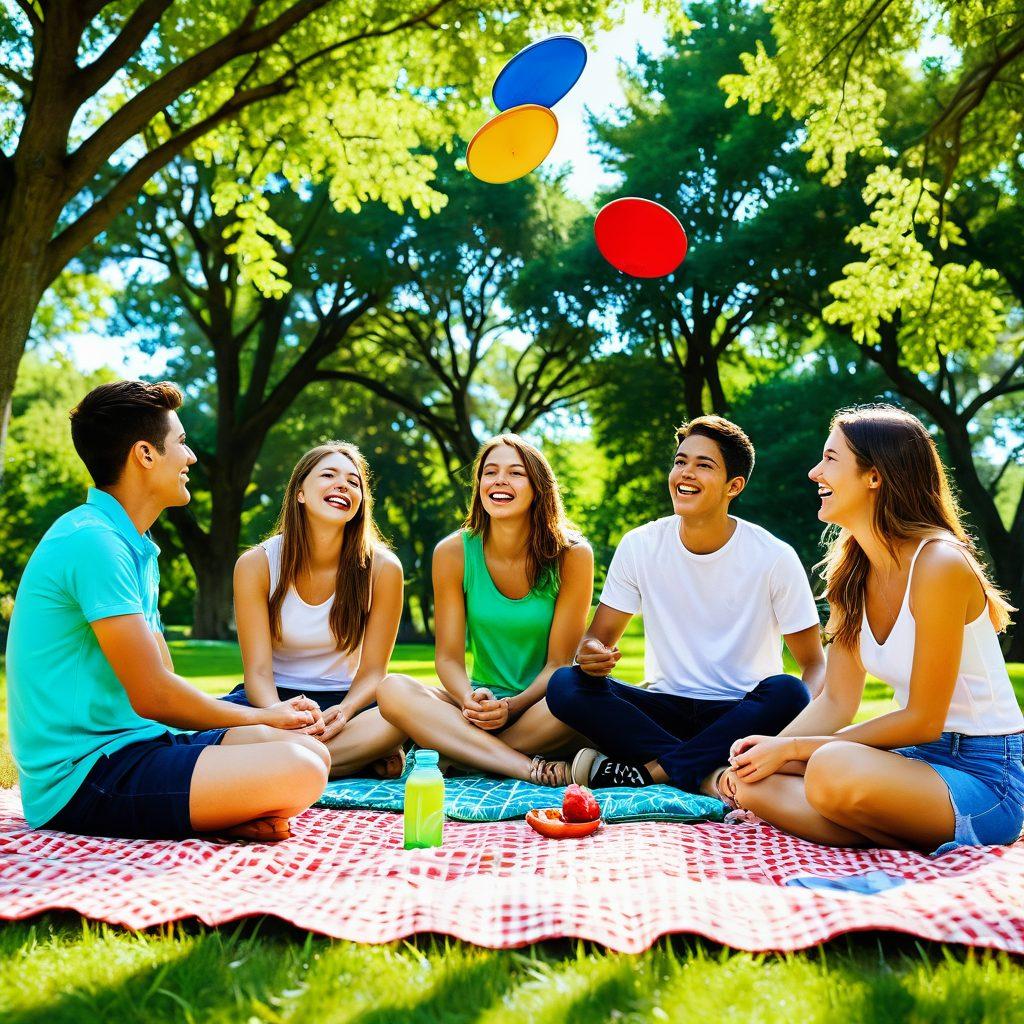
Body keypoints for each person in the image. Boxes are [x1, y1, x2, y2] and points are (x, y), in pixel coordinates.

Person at [6, 381, 329, 843]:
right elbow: (153, 696)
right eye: (180, 442)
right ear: (145, 454)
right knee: (300, 770)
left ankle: (212, 813)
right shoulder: (93, 541)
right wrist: (261, 716)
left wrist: (264, 723)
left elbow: (164, 682)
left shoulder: (135, 546)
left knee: (306, 751)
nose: (191, 457)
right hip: (83, 778)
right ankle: (211, 812)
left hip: (138, 745)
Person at [724, 404, 1024, 851]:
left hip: (984, 776)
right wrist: (766, 753)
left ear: (874, 476)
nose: (814, 472)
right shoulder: (851, 574)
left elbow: (923, 720)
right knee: (753, 784)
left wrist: (795, 752)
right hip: (910, 766)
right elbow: (838, 700)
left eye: (830, 458)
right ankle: (892, 830)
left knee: (829, 767)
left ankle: (876, 821)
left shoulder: (939, 564)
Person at [542, 415, 825, 797]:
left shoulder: (774, 556)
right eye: (680, 461)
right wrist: (591, 654)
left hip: (740, 714)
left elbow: (814, 665)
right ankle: (703, 771)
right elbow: (595, 641)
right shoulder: (640, 545)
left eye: (703, 465)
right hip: (660, 711)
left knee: (788, 692)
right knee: (565, 685)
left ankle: (651, 772)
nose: (685, 473)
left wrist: (789, 738)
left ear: (734, 486)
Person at [377, 434, 593, 783]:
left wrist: (513, 707)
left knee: (582, 695)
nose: (499, 480)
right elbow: (447, 658)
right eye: (489, 472)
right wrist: (469, 700)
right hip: (479, 704)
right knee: (392, 689)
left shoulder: (573, 555)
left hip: (542, 705)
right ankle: (522, 766)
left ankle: (459, 753)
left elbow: (558, 664)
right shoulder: (452, 552)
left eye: (515, 473)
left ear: (538, 487)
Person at [227, 442, 407, 779]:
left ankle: (280, 764)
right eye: (329, 475)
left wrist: (346, 711)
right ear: (300, 494)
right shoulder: (256, 565)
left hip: (344, 704)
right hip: (272, 700)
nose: (343, 485)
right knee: (204, 731)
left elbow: (373, 672)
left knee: (395, 720)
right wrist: (277, 715)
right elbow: (258, 673)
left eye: (354, 482)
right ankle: (341, 759)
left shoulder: (384, 568)